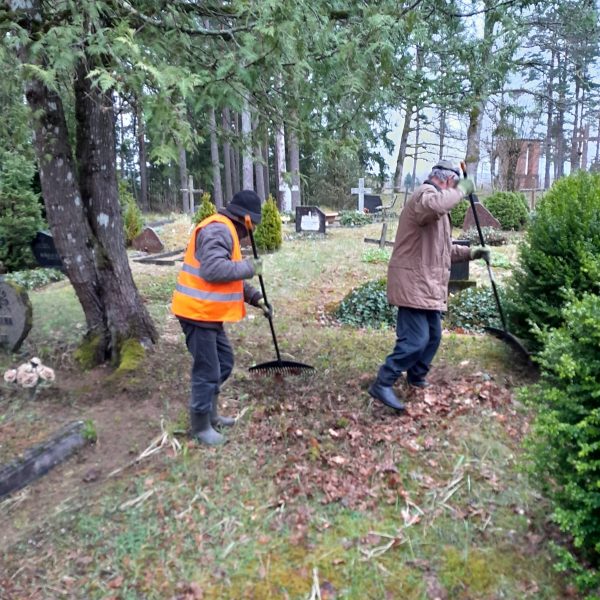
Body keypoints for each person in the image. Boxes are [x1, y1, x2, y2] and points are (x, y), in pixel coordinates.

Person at [369, 160, 490, 412]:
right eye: (454, 186)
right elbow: (436, 205)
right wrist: (462, 190)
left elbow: (443, 249)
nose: (454, 192)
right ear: (447, 180)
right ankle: (383, 381)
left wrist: (472, 253)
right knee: (416, 340)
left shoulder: (436, 209)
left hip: (427, 284)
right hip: (413, 283)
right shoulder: (424, 196)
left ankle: (416, 376)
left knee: (433, 337)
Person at [172, 190, 272, 445]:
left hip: (208, 314)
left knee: (224, 363)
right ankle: (200, 426)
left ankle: (212, 414)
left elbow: (230, 277)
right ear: (245, 220)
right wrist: (250, 267)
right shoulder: (218, 230)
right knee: (207, 370)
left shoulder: (226, 230)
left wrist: (256, 298)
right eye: (253, 226)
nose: (251, 234)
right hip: (196, 313)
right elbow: (214, 270)